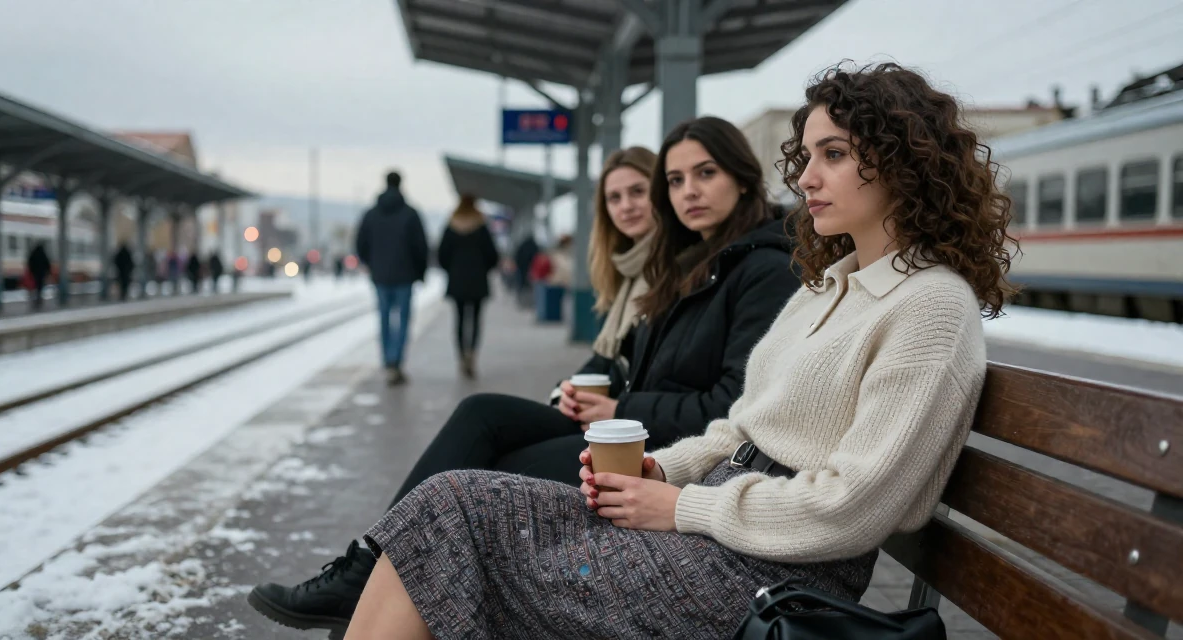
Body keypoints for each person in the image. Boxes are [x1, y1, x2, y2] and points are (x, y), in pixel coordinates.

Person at [342, 63, 1017, 639]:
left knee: (457, 524)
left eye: (833, 154)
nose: (807, 177)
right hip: (721, 529)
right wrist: (660, 471)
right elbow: (740, 429)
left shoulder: (929, 306)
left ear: (905, 162)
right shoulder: (832, 287)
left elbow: (854, 507)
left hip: (771, 572)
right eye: (807, 156)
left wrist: (681, 508)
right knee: (446, 502)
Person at [248, 138, 799, 637]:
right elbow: (634, 359)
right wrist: (582, 390)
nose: (684, 193)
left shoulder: (744, 268)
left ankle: (371, 576)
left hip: (657, 447)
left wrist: (617, 403)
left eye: (703, 175)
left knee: (471, 481)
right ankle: (369, 571)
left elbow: (728, 401)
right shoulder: (693, 263)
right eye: (674, 181)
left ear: (743, 178)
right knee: (480, 419)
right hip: (633, 425)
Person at [355, 171, 429, 385]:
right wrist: (420, 272)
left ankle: (387, 359)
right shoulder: (411, 214)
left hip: (380, 275)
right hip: (405, 275)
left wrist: (371, 264)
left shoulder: (371, 214)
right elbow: (420, 247)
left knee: (384, 319)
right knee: (403, 320)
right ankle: (397, 361)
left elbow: (361, 243)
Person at [437, 194, 499, 378]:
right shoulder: (481, 227)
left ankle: (461, 355)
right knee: (476, 320)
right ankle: (472, 353)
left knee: (460, 319)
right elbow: (493, 255)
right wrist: (483, 268)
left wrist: (452, 269)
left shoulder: (451, 225)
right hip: (478, 280)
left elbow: (442, 254)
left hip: (457, 280)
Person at [26, 242, 51, 310]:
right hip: (41, 274)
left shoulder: (33, 253)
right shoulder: (43, 254)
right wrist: (47, 272)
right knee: (40, 287)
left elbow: (30, 262)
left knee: (33, 287)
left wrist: (32, 271)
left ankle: (34, 300)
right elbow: (47, 264)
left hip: (34, 273)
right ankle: (39, 299)